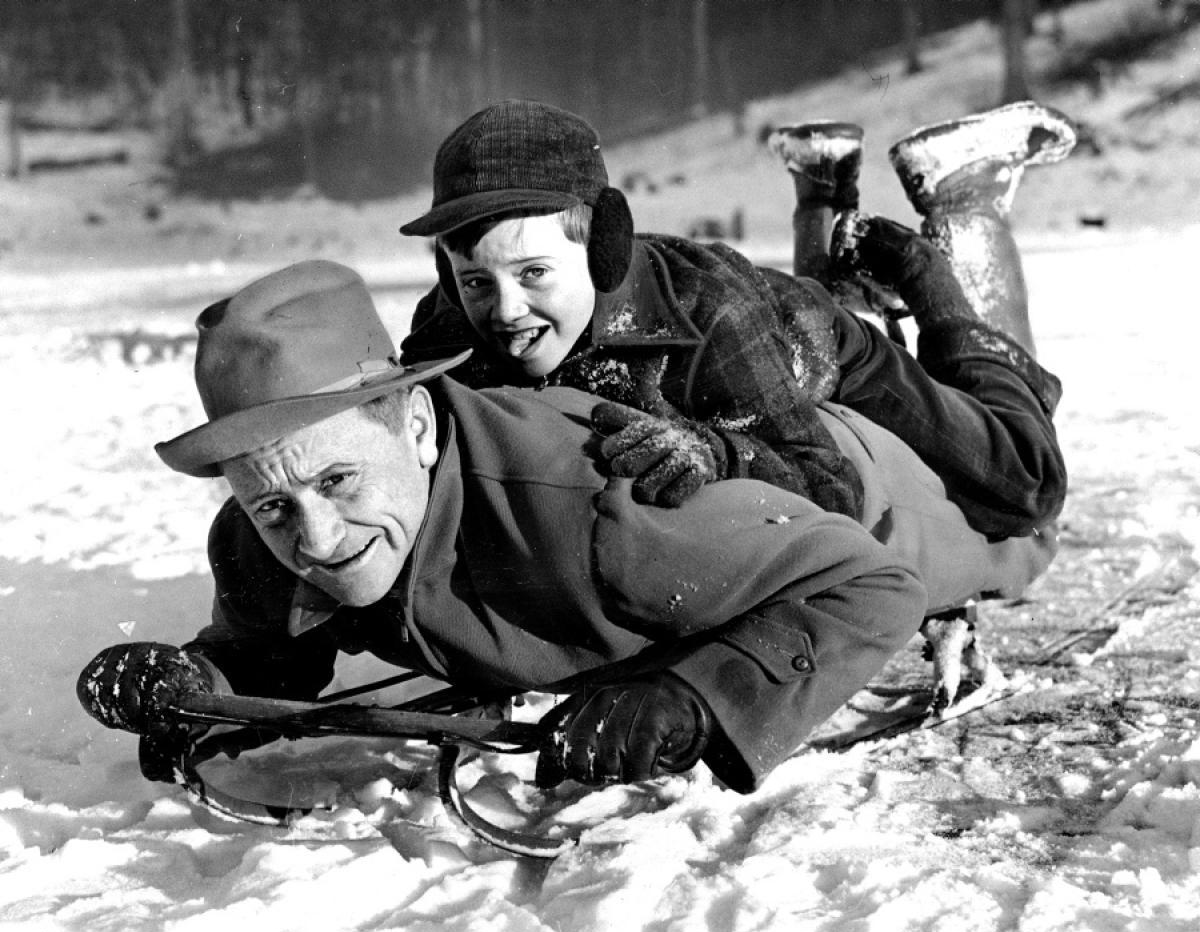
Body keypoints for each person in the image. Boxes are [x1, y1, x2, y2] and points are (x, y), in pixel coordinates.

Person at [76, 261, 1051, 793]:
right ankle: (827, 240)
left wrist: (696, 698)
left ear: (413, 425)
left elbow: (869, 587)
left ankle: (951, 253)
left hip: (873, 500)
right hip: (741, 479)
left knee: (1018, 483)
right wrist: (189, 685)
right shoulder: (266, 534)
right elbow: (259, 656)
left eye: (338, 478)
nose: (317, 535)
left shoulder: (594, 511)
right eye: (274, 503)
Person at [397, 99, 1073, 545]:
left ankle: (952, 225)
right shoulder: (449, 325)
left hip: (812, 344)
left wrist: (719, 454)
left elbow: (830, 488)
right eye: (477, 281)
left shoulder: (708, 310)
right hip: (769, 311)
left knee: (1023, 486)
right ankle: (825, 192)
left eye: (534, 274)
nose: (506, 310)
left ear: (603, 246)